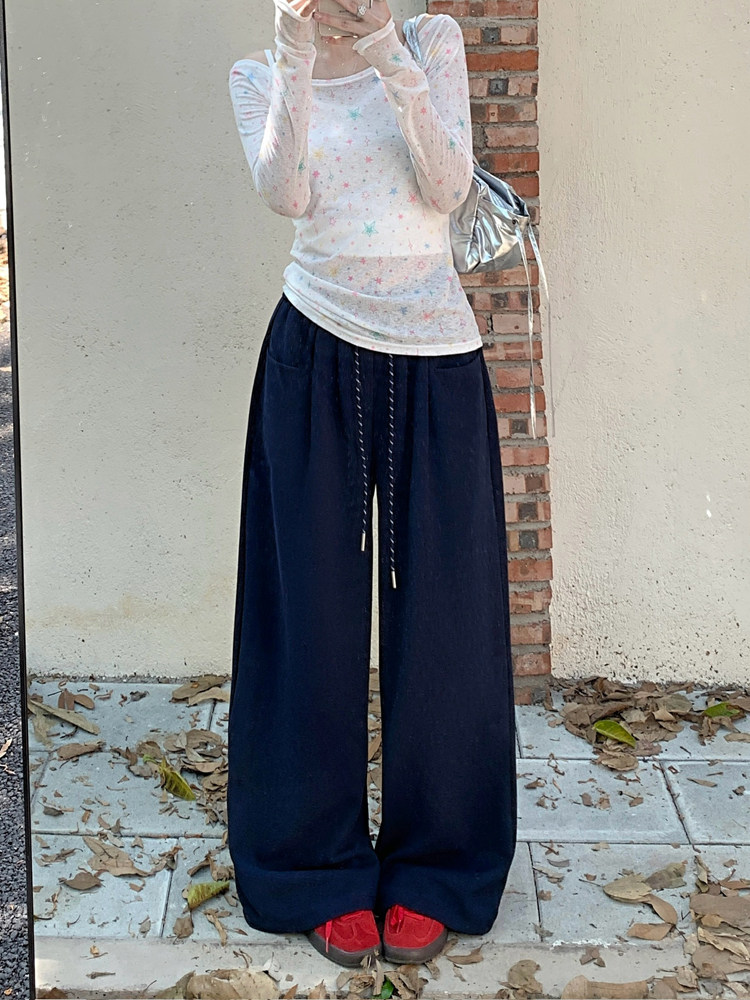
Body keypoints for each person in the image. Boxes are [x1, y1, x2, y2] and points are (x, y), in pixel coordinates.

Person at [225, 0, 518, 969]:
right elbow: (286, 194)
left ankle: (438, 866)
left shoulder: (431, 41)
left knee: (448, 619)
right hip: (313, 350)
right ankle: (311, 867)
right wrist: (295, 44)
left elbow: (448, 185)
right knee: (305, 617)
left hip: (435, 358)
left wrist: (389, 48)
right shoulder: (261, 72)